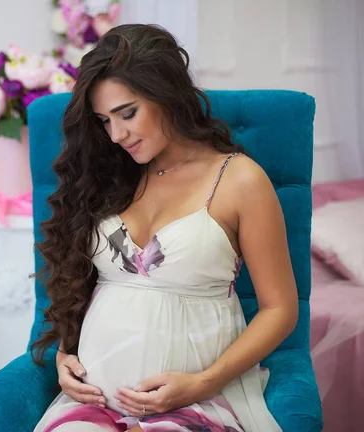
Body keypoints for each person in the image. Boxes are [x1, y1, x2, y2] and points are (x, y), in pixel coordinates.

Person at [30, 23, 297, 432]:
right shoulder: (112, 174)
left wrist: (202, 383)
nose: (117, 135)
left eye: (128, 113)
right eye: (104, 121)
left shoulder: (239, 180)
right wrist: (67, 353)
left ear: (166, 94)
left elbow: (280, 310)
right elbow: (80, 280)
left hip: (197, 400)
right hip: (93, 400)